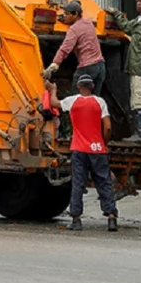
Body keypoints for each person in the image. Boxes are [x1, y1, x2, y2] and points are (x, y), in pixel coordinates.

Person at [47, 74, 118, 232]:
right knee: (104, 182)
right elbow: (107, 127)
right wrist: (102, 143)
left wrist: (53, 90)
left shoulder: (73, 101)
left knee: (78, 183)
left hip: (79, 149)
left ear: (79, 87)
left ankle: (76, 220)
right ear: (92, 87)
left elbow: (54, 103)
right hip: (97, 149)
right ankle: (111, 218)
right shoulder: (100, 102)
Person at [44, 0, 106, 96]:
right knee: (94, 99)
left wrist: (54, 65)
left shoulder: (74, 29)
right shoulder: (89, 23)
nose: (64, 16)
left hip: (87, 68)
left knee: (76, 98)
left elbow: (65, 49)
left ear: (75, 14)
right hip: (100, 67)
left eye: (67, 14)